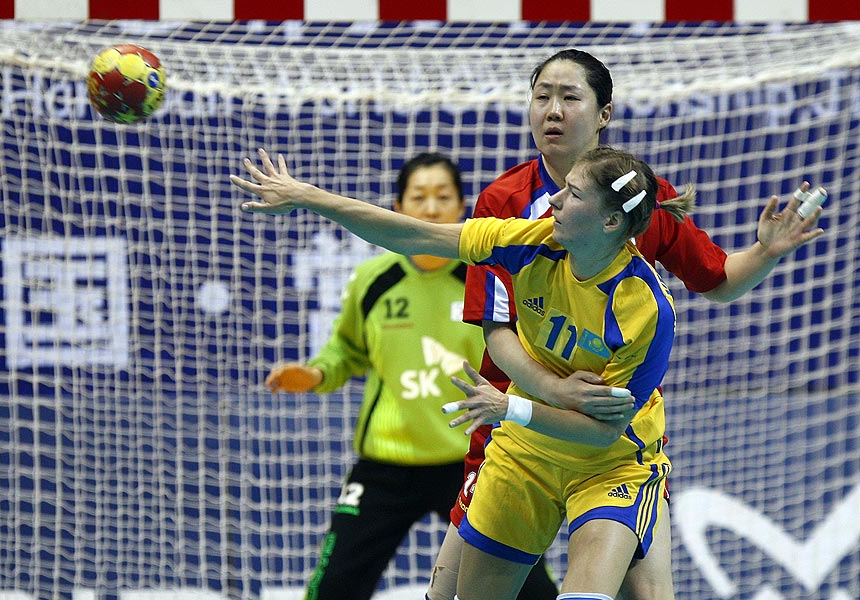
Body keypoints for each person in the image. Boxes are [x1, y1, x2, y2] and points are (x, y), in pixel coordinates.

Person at [230, 144, 739, 598]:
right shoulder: (528, 241)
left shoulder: (645, 310)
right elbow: (414, 235)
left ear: (609, 223)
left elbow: (603, 429)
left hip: (608, 464)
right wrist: (309, 197)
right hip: (521, 455)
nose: (554, 200)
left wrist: (511, 406)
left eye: (574, 194)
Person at [428, 48, 826, 600]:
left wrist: (766, 252)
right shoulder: (505, 200)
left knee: (648, 593)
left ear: (604, 114)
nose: (552, 111)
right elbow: (497, 330)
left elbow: (719, 280)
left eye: (570, 97)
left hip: (612, 434)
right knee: (447, 591)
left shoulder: (642, 199)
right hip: (514, 425)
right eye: (541, 96)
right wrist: (551, 391)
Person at [262, 152, 486, 600]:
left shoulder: (484, 280)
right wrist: (315, 374)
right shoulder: (372, 279)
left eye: (443, 196)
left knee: (526, 585)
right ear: (397, 209)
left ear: (463, 207)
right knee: (333, 590)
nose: (430, 208)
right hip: (386, 463)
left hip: (470, 462)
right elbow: (346, 351)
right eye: (418, 197)